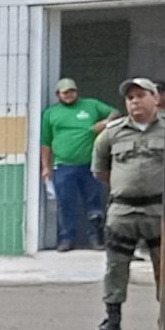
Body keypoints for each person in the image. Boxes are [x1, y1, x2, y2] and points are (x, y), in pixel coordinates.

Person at [89, 76, 165, 330]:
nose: (135, 102)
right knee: (116, 266)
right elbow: (100, 171)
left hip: (159, 210)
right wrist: (126, 185)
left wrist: (162, 184)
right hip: (122, 211)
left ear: (155, 98)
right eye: (130, 98)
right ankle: (112, 319)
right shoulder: (111, 133)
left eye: (140, 96)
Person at [40, 77, 111, 251]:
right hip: (63, 166)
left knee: (94, 203)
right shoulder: (50, 114)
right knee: (65, 203)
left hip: (90, 165)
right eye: (65, 92)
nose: (69, 95)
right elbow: (45, 142)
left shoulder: (91, 105)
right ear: (58, 94)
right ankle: (66, 239)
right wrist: (45, 166)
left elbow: (115, 113)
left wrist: (104, 123)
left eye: (72, 91)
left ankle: (96, 239)